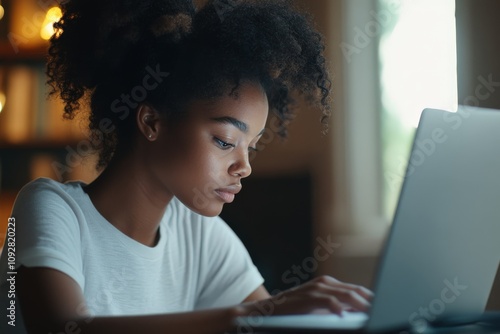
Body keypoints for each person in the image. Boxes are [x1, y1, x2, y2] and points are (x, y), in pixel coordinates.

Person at [0, 0, 373, 333]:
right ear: (151, 123)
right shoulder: (50, 207)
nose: (244, 167)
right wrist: (250, 315)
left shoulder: (197, 232)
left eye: (252, 148)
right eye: (226, 141)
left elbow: (268, 322)